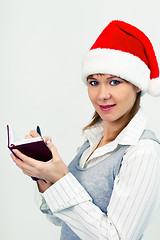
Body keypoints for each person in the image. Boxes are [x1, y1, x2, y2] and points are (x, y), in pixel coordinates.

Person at [11, 20, 160, 240]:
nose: (102, 95)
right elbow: (58, 217)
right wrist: (44, 176)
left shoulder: (142, 151)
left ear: (137, 84)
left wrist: (61, 178)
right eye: (94, 82)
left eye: (114, 82)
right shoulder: (90, 143)